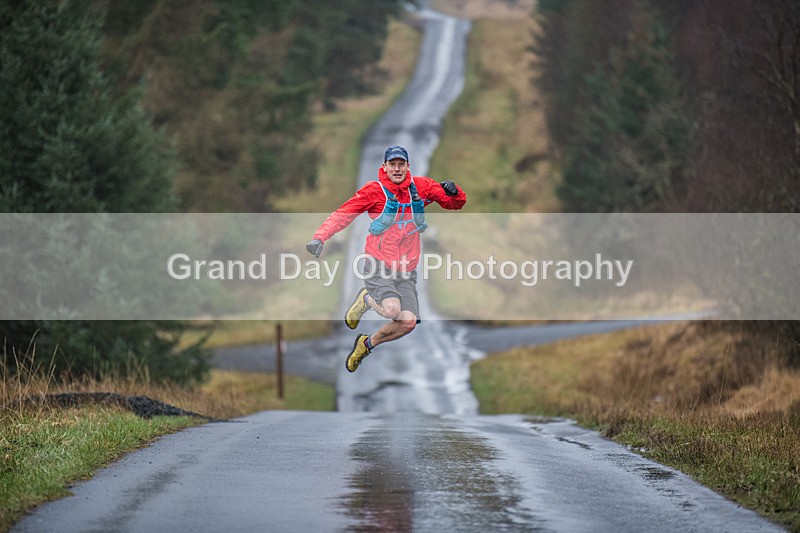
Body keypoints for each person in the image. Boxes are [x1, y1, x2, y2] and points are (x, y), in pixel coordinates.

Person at [306, 145, 466, 373]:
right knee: (392, 309)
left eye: (401, 164)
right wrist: (320, 237)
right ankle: (368, 299)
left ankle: (366, 344)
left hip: (406, 270)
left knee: (408, 322)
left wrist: (454, 191)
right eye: (393, 164)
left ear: (408, 166)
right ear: (385, 167)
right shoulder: (374, 191)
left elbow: (456, 204)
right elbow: (344, 214)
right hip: (378, 264)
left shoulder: (421, 187)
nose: (397, 169)